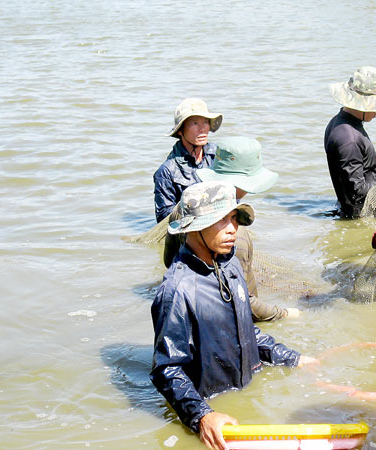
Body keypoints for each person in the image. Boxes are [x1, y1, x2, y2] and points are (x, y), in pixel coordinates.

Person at [150, 181, 317, 450]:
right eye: (220, 220)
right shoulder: (177, 290)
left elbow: (247, 331)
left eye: (233, 218)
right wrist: (202, 416)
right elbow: (166, 370)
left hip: (247, 393)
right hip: (211, 408)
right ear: (195, 227)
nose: (233, 228)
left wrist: (292, 358)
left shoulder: (231, 265)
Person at [164, 136, 300, 320]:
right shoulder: (236, 236)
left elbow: (169, 260)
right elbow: (245, 301)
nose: (231, 227)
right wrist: (284, 314)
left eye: (234, 218)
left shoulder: (184, 209)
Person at [324, 66, 376, 218]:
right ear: (364, 103)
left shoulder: (340, 122)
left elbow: (351, 167)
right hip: (361, 215)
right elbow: (357, 194)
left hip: (349, 208)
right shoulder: (349, 139)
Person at [153, 98, 223, 223]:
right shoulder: (167, 171)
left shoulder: (219, 155)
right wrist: (196, 206)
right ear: (180, 130)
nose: (202, 128)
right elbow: (163, 218)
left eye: (205, 122)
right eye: (195, 123)